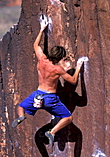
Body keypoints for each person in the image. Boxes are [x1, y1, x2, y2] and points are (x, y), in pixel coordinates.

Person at [12, 15, 84, 146]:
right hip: (50, 98)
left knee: (21, 106)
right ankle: (52, 132)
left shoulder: (42, 60)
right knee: (68, 117)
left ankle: (21, 117)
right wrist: (79, 68)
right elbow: (73, 81)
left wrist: (42, 29)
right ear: (59, 58)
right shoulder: (57, 69)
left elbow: (36, 45)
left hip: (37, 95)